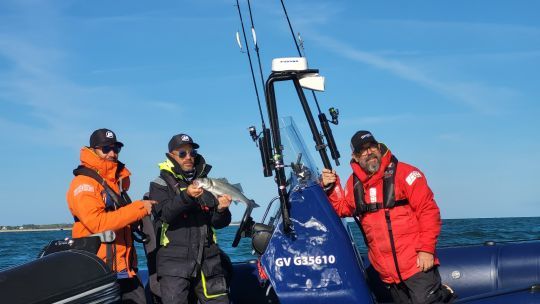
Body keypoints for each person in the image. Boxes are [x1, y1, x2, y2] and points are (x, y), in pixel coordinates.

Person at [321, 131, 454, 304]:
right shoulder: (353, 184)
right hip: (388, 275)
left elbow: (428, 211)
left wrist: (426, 250)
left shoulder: (406, 173)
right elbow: (341, 208)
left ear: (379, 147)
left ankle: (442, 294)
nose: (369, 152)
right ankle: (442, 293)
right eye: (362, 150)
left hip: (416, 266)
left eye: (371, 146)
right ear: (355, 156)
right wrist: (331, 186)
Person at [67, 128, 156, 304]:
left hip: (125, 270)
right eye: (106, 148)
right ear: (92, 150)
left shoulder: (116, 184)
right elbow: (97, 223)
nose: (112, 153)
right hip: (99, 272)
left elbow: (120, 217)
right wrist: (139, 209)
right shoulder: (84, 184)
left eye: (116, 148)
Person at [148, 133, 232, 304]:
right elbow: (164, 214)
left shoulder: (206, 182)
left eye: (192, 153)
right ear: (171, 156)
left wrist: (222, 210)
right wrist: (186, 196)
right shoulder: (159, 184)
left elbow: (218, 223)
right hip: (174, 264)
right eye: (182, 153)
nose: (188, 157)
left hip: (209, 261)